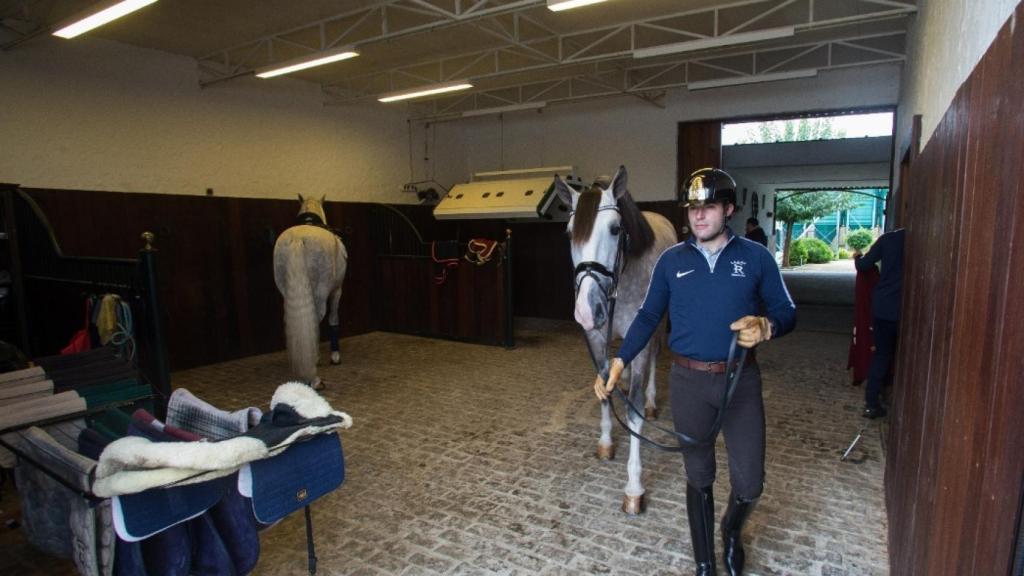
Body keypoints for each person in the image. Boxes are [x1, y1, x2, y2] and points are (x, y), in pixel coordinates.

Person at [595, 167, 796, 576]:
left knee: (750, 482)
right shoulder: (672, 261)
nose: (698, 217)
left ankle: (731, 531)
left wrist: (767, 326)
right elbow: (649, 314)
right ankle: (705, 562)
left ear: (729, 210)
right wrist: (619, 360)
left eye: (708, 208)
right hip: (688, 382)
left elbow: (786, 310)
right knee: (699, 474)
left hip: (740, 382)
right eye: (692, 209)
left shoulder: (755, 257)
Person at [853, 227, 905, 418]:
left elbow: (864, 265)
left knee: (882, 354)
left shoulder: (890, 239)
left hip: (885, 304)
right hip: (902, 305)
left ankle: (872, 402)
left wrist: (857, 258)